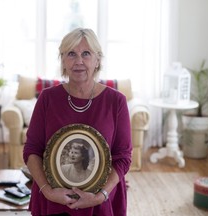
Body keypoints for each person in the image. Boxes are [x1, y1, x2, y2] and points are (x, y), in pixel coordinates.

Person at [23, 28, 132, 216]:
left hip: (99, 200)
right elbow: (32, 150)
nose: (79, 61)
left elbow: (123, 157)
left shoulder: (116, 101)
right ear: (63, 60)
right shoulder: (47, 98)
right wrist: (47, 191)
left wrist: (101, 195)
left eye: (86, 54)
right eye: (71, 54)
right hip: (53, 198)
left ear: (97, 60)